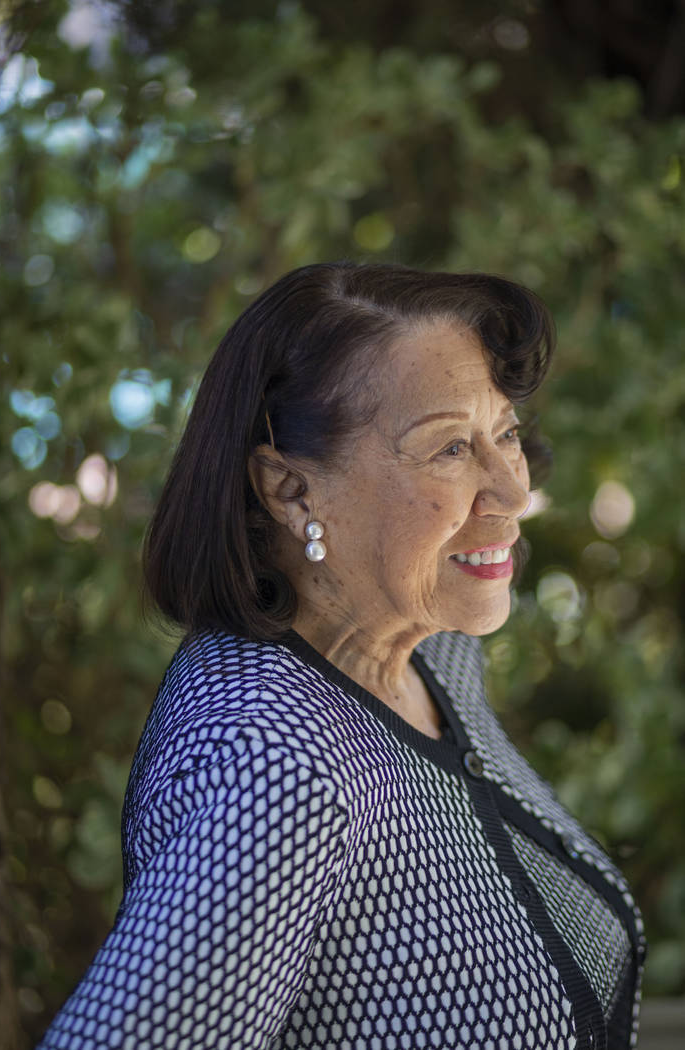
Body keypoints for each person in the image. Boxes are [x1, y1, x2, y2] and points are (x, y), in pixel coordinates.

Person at [38, 262, 645, 1050]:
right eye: (450, 449)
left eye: (506, 434)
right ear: (291, 493)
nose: (512, 491)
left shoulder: (437, 659)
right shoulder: (277, 766)